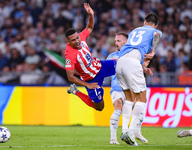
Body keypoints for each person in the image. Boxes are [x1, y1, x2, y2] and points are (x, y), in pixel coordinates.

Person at [116, 13, 162, 146]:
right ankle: (131, 132)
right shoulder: (154, 30)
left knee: (129, 98)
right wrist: (153, 51)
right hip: (132, 62)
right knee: (142, 99)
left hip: (121, 62)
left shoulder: (134, 31)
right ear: (156, 25)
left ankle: (124, 130)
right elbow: (157, 36)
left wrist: (142, 66)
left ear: (144, 21)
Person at [65, 3, 116, 111]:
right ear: (68, 41)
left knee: (123, 63)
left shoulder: (81, 37)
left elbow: (89, 27)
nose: (77, 41)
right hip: (91, 80)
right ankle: (76, 91)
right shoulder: (70, 54)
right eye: (73, 40)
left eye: (77, 38)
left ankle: (142, 65)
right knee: (100, 107)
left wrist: (91, 15)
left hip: (100, 66)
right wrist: (87, 85)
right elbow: (70, 77)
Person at [107, 33, 150, 145]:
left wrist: (144, 68)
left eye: (119, 41)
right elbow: (104, 70)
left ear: (126, 42)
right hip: (117, 88)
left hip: (130, 88)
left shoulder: (133, 55)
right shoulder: (112, 56)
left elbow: (137, 68)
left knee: (140, 105)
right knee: (118, 106)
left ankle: (137, 132)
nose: (116, 43)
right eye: (115, 41)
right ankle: (113, 139)